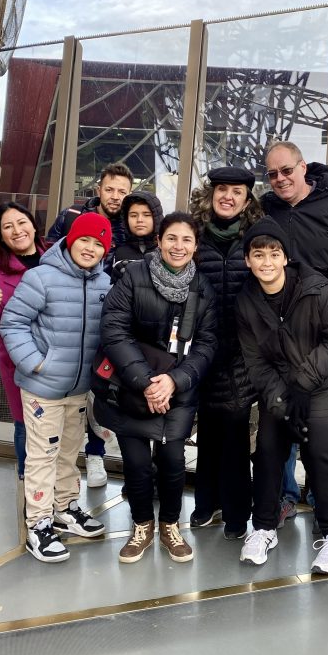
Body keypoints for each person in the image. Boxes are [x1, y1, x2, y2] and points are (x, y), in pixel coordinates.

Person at [93, 212, 217, 564]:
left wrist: (173, 381)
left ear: (196, 246)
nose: (179, 246)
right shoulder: (133, 276)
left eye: (187, 240)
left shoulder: (202, 289)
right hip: (133, 385)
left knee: (173, 461)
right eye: (172, 238)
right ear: (160, 241)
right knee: (135, 462)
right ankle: (142, 524)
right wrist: (146, 382)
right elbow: (114, 331)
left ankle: (169, 524)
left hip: (177, 388)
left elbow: (207, 344)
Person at [235, 218, 328, 575]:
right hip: (282, 387)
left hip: (324, 382)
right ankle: (264, 527)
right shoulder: (246, 301)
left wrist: (304, 383)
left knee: (318, 451)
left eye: (274, 254)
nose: (267, 262)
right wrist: (283, 401)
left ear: (285, 258)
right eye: (259, 255)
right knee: (269, 449)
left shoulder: (317, 290)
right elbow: (255, 361)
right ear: (248, 261)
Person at [261, 141, 328, 526]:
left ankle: (321, 494)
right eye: (272, 174)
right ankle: (286, 496)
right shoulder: (267, 208)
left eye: (286, 170)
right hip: (281, 325)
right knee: (282, 410)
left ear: (303, 167)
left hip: (324, 325)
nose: (280, 179)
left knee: (324, 423)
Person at [0, 213, 111, 563]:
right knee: (42, 456)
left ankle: (64, 507)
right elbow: (12, 322)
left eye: (99, 244)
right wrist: (36, 363)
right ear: (71, 240)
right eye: (85, 241)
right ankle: (38, 522)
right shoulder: (41, 277)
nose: (90, 249)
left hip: (78, 388)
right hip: (42, 388)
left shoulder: (104, 284)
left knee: (68, 452)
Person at [47, 161, 134, 487]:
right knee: (69, 393)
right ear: (99, 188)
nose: (115, 197)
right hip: (70, 316)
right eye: (110, 189)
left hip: (111, 321)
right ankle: (63, 466)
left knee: (101, 391)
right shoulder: (71, 218)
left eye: (122, 192)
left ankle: (97, 454)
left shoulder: (129, 226)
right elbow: (49, 255)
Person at [188, 166, 263, 539]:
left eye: (236, 191)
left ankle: (236, 515)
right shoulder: (195, 236)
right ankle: (206, 504)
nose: (228, 197)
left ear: (247, 199)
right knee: (208, 432)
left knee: (234, 432)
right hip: (200, 350)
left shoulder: (255, 238)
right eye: (222, 190)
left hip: (241, 353)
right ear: (211, 193)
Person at [0, 203, 46, 478]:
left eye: (21, 222)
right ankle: (29, 486)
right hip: (20, 366)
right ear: (0, 237)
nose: (17, 230)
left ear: (34, 225)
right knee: (26, 424)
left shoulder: (57, 259)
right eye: (7, 227)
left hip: (59, 362)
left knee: (60, 426)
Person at [108, 188, 164, 281]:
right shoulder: (120, 252)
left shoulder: (166, 251)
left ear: (156, 218)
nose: (139, 220)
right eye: (133, 215)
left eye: (146, 215)